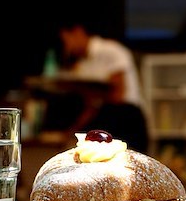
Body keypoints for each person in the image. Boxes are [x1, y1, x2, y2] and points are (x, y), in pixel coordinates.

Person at [57, 21, 149, 153]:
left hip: (127, 118)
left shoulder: (111, 51)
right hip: (104, 117)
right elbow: (91, 105)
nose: (67, 48)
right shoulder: (83, 64)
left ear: (78, 32)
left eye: (66, 41)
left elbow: (119, 94)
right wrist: (73, 130)